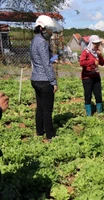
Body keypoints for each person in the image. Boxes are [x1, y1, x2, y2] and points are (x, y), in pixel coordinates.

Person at [30, 15, 63, 143]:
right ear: (41, 28)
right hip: (44, 81)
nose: (50, 33)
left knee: (39, 108)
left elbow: (41, 59)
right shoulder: (42, 42)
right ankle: (49, 136)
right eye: (48, 30)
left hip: (35, 79)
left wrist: (55, 57)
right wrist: (53, 82)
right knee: (47, 109)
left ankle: (39, 132)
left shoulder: (34, 41)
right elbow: (46, 64)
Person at [79, 35, 104, 116]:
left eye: (98, 43)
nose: (97, 45)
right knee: (88, 96)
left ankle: (100, 113)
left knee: (98, 95)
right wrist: (92, 62)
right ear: (91, 43)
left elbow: (102, 63)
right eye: (95, 44)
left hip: (96, 76)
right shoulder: (85, 52)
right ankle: (89, 114)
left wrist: (100, 56)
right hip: (87, 77)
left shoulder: (97, 52)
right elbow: (82, 63)